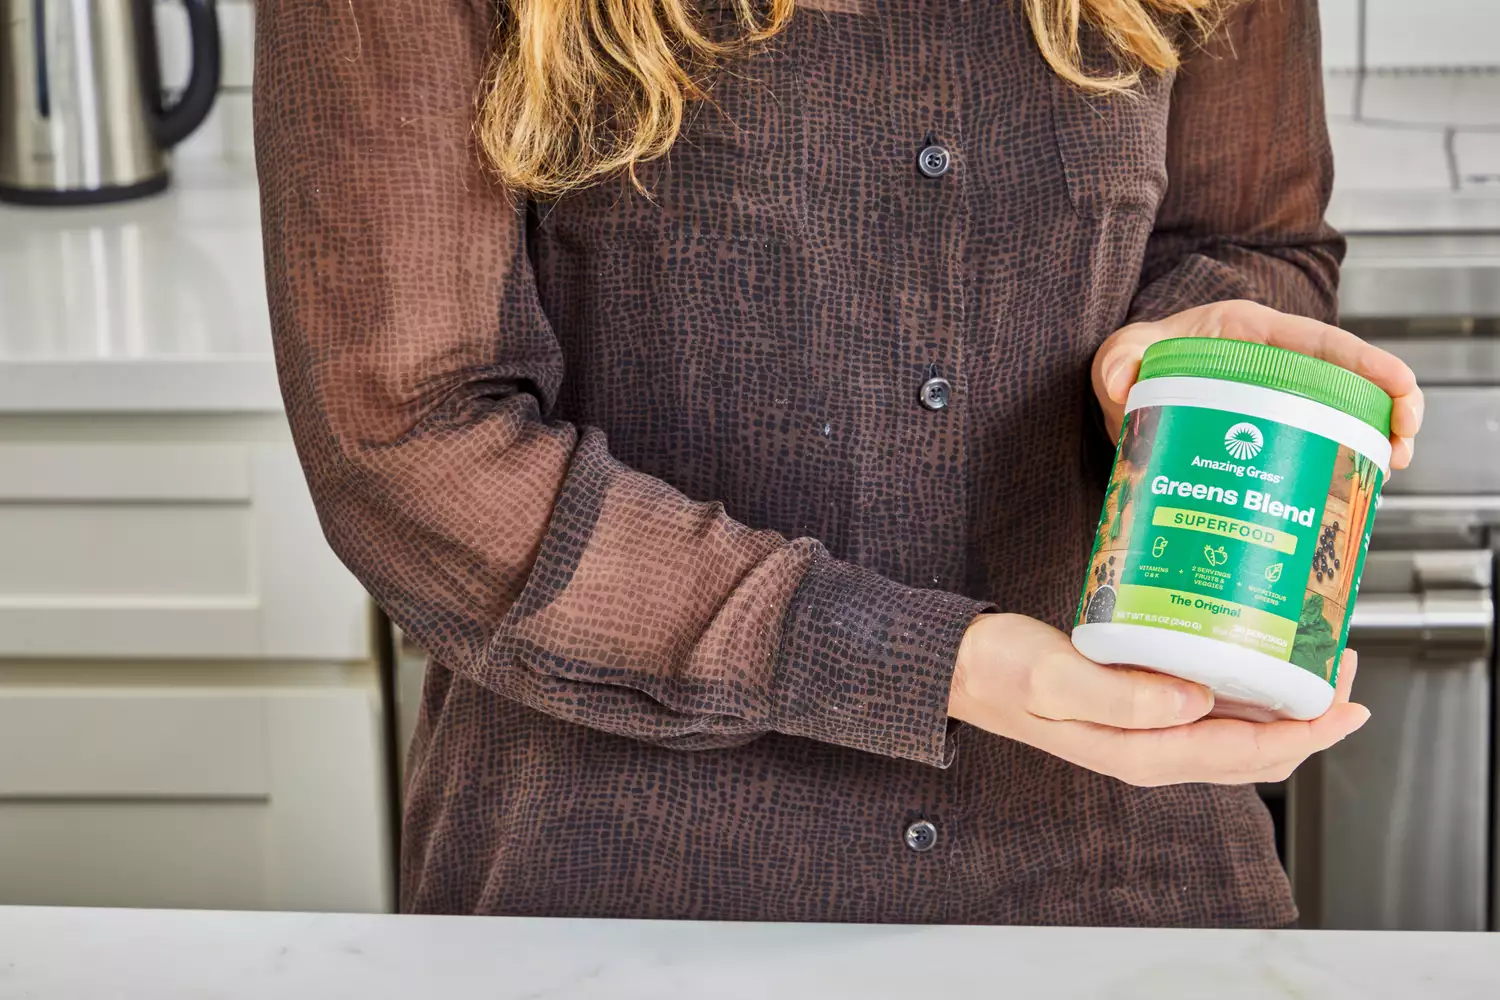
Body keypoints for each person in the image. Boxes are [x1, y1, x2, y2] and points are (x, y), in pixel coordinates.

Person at [253, 0, 1423, 925]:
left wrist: (1191, 350)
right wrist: (923, 661)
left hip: (1119, 873)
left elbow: (1248, 239)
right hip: (622, 888)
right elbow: (408, 440)